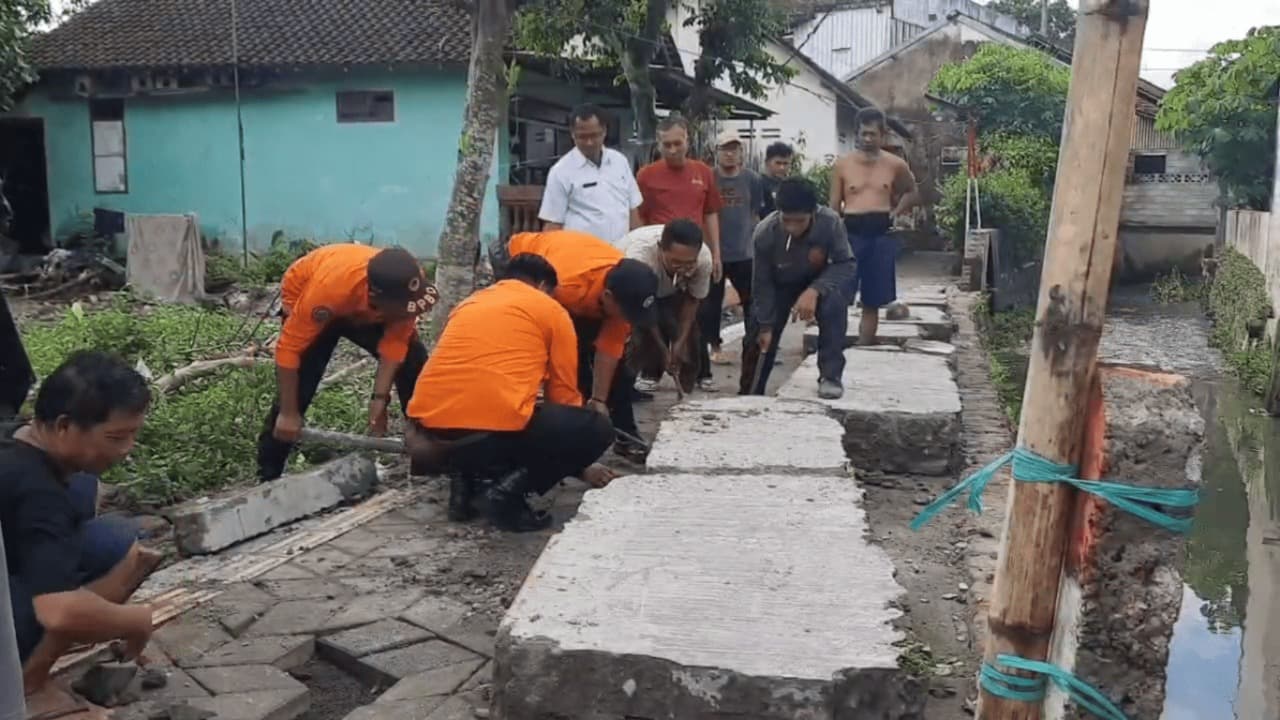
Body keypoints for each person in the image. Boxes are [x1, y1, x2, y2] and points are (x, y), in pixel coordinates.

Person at [405, 254, 615, 532]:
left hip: (426, 437)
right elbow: (563, 396)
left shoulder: (469, 304)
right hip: (484, 436)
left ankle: (463, 491)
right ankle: (504, 496)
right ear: (542, 286)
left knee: (481, 412)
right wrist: (578, 464)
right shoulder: (550, 310)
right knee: (594, 427)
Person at [2, 351, 162, 695]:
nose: (127, 450)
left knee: (98, 512)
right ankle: (29, 686)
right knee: (115, 547)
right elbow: (57, 612)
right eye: (116, 437)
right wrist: (137, 621)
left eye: (133, 435)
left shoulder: (15, 436)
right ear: (63, 426)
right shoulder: (36, 491)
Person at [257, 243, 436, 482]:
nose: (409, 312)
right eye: (401, 308)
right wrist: (289, 413)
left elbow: (395, 347)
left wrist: (379, 401)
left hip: (370, 305)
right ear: (375, 297)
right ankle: (269, 473)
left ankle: (426, 453)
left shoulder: (409, 286)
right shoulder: (327, 291)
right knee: (301, 381)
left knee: (414, 363)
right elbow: (289, 351)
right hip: (307, 293)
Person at [499, 229, 660, 461]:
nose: (629, 319)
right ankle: (551, 438)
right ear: (607, 296)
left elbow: (609, 351)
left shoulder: (624, 295)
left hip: (579, 283)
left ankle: (622, 436)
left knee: (619, 373)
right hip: (519, 262)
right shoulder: (565, 286)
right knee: (568, 361)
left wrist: (599, 400)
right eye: (628, 313)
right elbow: (549, 348)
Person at [742, 178, 858, 399]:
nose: (792, 228)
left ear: (813, 213)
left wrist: (814, 290)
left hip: (817, 282)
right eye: (787, 220)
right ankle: (751, 389)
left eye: (799, 221)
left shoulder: (830, 223)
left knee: (835, 304)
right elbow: (761, 283)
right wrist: (766, 325)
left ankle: (830, 376)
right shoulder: (765, 232)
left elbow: (846, 263)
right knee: (758, 332)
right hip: (778, 285)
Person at [829, 107, 919, 346]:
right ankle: (835, 342)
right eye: (863, 134)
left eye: (872, 134)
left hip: (880, 233)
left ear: (883, 134)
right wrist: (831, 239)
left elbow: (912, 191)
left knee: (873, 298)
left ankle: (865, 343)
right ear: (857, 134)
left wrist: (895, 213)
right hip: (851, 233)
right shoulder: (843, 166)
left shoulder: (895, 165)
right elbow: (834, 207)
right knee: (840, 293)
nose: (867, 139)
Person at [698, 131, 763, 386]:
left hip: (744, 252)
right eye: (725, 148)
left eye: (734, 149)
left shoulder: (752, 179)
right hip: (714, 253)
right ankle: (714, 346)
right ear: (717, 151)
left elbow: (756, 211)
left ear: (741, 152)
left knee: (751, 301)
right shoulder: (708, 177)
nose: (730, 153)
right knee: (710, 304)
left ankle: (754, 344)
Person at [622, 220, 712, 395]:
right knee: (639, 342)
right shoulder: (639, 258)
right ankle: (624, 391)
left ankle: (686, 392)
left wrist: (679, 343)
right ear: (660, 249)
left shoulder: (703, 260)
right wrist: (664, 350)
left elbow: (693, 301)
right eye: (676, 262)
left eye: (689, 263)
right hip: (635, 293)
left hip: (672, 289)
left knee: (690, 342)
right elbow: (645, 310)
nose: (684, 269)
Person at [538, 104, 643, 246]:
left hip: (622, 253)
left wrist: (637, 245)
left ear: (604, 131)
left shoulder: (620, 162)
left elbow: (632, 209)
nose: (589, 142)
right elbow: (553, 224)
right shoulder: (560, 172)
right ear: (572, 134)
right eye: (582, 137)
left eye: (594, 135)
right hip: (583, 256)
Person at [636, 116, 724, 280]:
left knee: (697, 299)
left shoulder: (703, 172)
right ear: (659, 144)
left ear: (687, 141)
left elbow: (710, 213)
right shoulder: (645, 176)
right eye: (667, 145)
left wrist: (716, 254)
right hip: (662, 256)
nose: (673, 150)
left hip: (695, 253)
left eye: (677, 143)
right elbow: (639, 218)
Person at [760, 141, 794, 217]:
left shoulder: (791, 186)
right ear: (767, 163)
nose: (782, 167)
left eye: (785, 163)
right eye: (778, 163)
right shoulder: (758, 184)